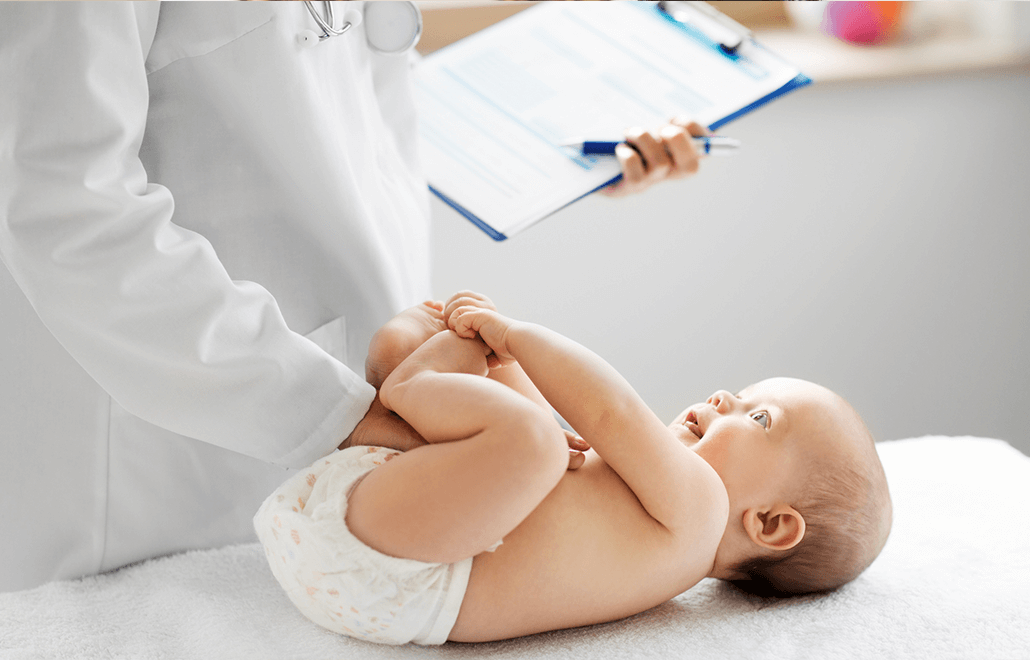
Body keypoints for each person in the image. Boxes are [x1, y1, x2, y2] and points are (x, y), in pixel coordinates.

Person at [0, 2, 709, 593]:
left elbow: (342, 92)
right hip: (161, 464)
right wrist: (335, 414)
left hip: (361, 406)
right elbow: (67, 206)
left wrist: (562, 145)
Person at [255, 291, 894, 645]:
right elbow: (582, 436)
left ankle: (409, 381)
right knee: (540, 439)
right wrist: (498, 361)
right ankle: (406, 368)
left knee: (534, 442)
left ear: (772, 525)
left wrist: (516, 336)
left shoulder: (700, 511)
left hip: (408, 568)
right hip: (404, 530)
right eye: (743, 393)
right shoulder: (641, 520)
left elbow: (608, 411)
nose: (726, 398)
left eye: (759, 420)